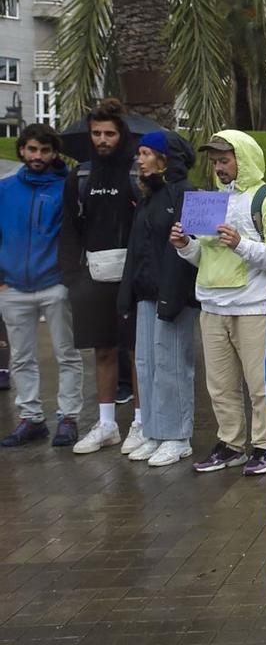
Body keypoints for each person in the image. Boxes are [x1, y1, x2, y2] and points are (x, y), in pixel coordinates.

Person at [170, 130, 266, 477]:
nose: (219, 168)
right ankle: (231, 444)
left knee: (260, 385)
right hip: (212, 305)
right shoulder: (211, 201)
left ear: (244, 158)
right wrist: (184, 246)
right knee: (220, 385)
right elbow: (206, 257)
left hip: (254, 307)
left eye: (225, 160)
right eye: (214, 162)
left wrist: (241, 244)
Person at [62, 99, 140, 454]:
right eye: (97, 133)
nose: (103, 139)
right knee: (103, 351)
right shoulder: (79, 175)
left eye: (109, 133)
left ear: (121, 134)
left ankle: (141, 422)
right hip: (92, 274)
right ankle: (107, 423)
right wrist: (72, 276)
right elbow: (70, 228)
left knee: (137, 352)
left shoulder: (138, 173)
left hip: (134, 276)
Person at [0, 124, 83, 447]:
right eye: (32, 149)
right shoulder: (5, 189)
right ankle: (31, 418)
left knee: (67, 353)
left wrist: (69, 278)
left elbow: (78, 232)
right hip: (13, 288)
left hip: (55, 285)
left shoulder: (66, 187)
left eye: (44, 150)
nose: (37, 156)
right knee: (20, 357)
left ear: (54, 153)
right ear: (22, 150)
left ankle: (68, 417)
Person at [119, 129, 198, 467]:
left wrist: (174, 294)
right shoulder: (149, 196)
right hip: (146, 294)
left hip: (175, 296)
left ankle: (178, 437)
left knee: (172, 366)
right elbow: (136, 250)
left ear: (166, 159)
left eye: (148, 153)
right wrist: (127, 293)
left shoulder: (188, 194)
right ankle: (153, 431)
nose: (140, 159)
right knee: (147, 365)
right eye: (140, 153)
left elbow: (196, 249)